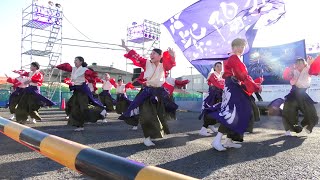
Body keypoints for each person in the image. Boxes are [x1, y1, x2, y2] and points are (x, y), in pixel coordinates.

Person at [205, 38, 262, 151]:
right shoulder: (233, 57)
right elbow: (243, 76)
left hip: (233, 87)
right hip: (233, 87)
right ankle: (217, 140)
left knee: (236, 113)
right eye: (238, 46)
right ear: (233, 47)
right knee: (232, 113)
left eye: (243, 46)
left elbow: (242, 76)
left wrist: (254, 84)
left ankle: (228, 140)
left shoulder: (233, 57)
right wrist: (256, 86)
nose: (241, 48)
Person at [119, 39, 176, 146]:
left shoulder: (163, 66)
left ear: (160, 56)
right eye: (151, 53)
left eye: (154, 53)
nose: (151, 55)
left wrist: (172, 56)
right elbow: (136, 56)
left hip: (158, 93)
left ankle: (150, 135)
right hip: (147, 92)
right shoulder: (146, 63)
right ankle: (147, 137)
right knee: (147, 115)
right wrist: (125, 47)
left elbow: (170, 64)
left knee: (159, 115)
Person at [54, 57, 105, 131]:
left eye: (76, 60)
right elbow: (66, 67)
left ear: (81, 62)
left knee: (83, 108)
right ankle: (78, 124)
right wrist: (56, 66)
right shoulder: (74, 69)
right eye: (74, 60)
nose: (74, 62)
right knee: (71, 105)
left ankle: (99, 112)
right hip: (77, 91)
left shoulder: (84, 70)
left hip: (83, 91)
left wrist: (93, 76)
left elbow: (92, 76)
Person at [281, 57, 319, 136]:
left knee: (311, 111)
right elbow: (286, 77)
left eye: (301, 63)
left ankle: (307, 125)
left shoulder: (308, 69)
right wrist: (290, 71)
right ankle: (288, 129)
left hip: (302, 94)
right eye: (297, 63)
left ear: (304, 63)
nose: (299, 65)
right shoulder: (293, 70)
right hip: (293, 93)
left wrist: (312, 62)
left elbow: (315, 71)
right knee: (288, 111)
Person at [198, 62, 224, 136]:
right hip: (212, 98)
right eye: (217, 66)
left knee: (217, 112)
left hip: (219, 97)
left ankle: (211, 125)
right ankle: (203, 129)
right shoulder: (213, 74)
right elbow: (218, 84)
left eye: (220, 66)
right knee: (210, 112)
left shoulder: (220, 75)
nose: (219, 68)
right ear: (214, 67)